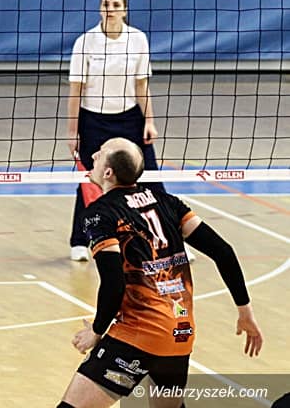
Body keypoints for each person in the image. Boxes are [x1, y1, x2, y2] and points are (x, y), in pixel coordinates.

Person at [57, 137, 264, 408]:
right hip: (179, 334)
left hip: (137, 336)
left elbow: (114, 283)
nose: (94, 155)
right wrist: (245, 311)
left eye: (101, 153)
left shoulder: (100, 214)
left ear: (108, 172)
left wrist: (96, 331)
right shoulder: (168, 203)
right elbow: (223, 252)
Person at [66, 0, 170, 262]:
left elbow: (141, 85)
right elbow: (75, 91)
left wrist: (149, 121)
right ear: (100, 9)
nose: (110, 9)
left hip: (129, 119)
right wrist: (72, 131)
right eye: (106, 4)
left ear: (124, 10)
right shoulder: (85, 42)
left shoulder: (137, 39)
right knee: (90, 182)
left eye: (115, 5)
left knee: (151, 179)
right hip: (93, 121)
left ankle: (169, 238)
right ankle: (80, 240)